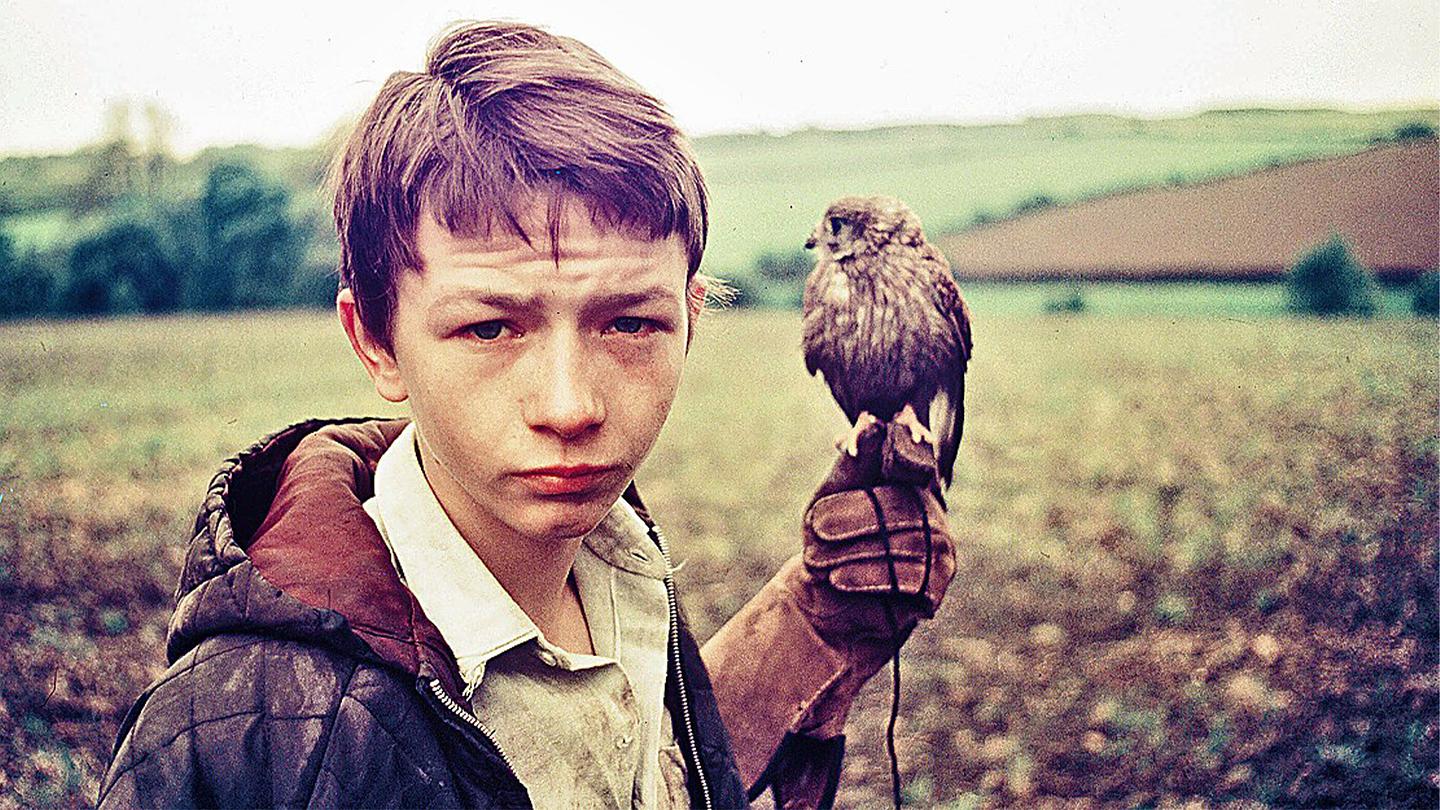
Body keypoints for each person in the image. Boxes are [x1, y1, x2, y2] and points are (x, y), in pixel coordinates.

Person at [98, 20, 956, 810]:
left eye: (630, 322)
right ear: (377, 342)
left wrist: (806, 632)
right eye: (490, 326)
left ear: (692, 319)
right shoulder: (236, 745)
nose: (569, 406)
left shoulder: (625, 573)